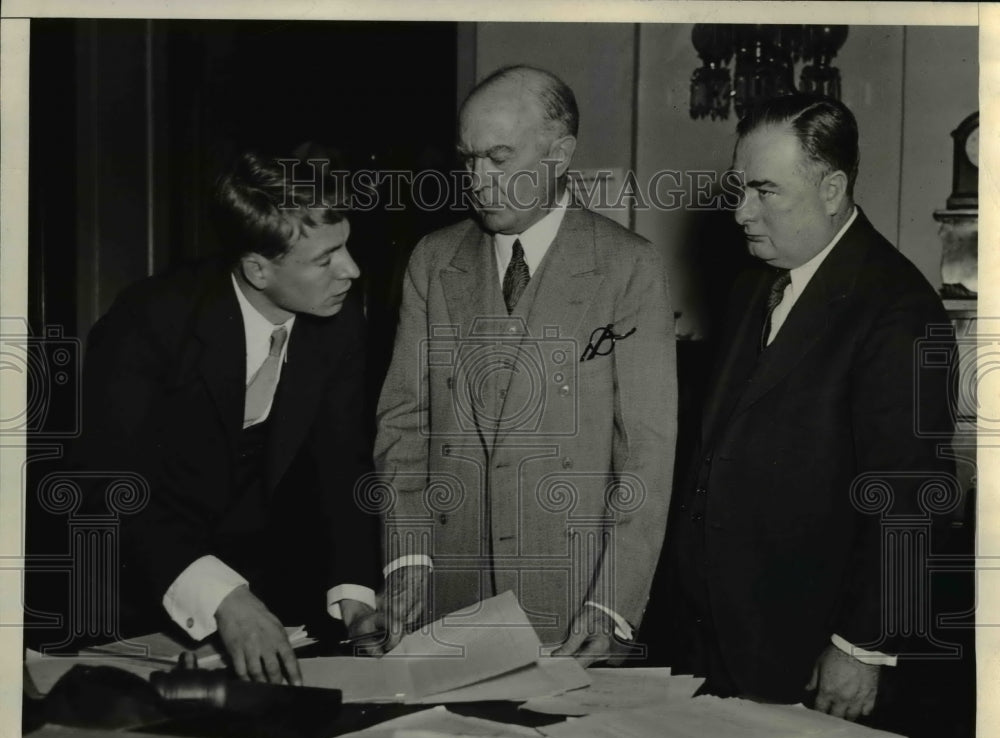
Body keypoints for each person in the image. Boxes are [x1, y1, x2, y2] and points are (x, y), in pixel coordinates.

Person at [664, 94, 955, 721]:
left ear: (831, 188)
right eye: (739, 189)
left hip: (813, 651)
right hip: (716, 638)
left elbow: (911, 496)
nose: (741, 212)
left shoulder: (898, 309)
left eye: (765, 191)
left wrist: (864, 646)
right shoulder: (753, 284)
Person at [374, 65, 677, 660]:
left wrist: (611, 602)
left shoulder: (628, 269)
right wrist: (408, 558)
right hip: (443, 599)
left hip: (573, 606)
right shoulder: (431, 261)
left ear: (559, 154)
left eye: (499, 158)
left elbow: (646, 452)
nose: (477, 180)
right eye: (468, 159)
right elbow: (401, 424)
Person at [75, 151, 382, 684]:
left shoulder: (339, 325)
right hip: (130, 600)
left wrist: (354, 597)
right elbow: (114, 485)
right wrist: (224, 598)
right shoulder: (149, 321)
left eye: (347, 246)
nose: (351, 270)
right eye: (324, 258)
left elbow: (344, 468)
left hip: (266, 604)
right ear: (258, 269)